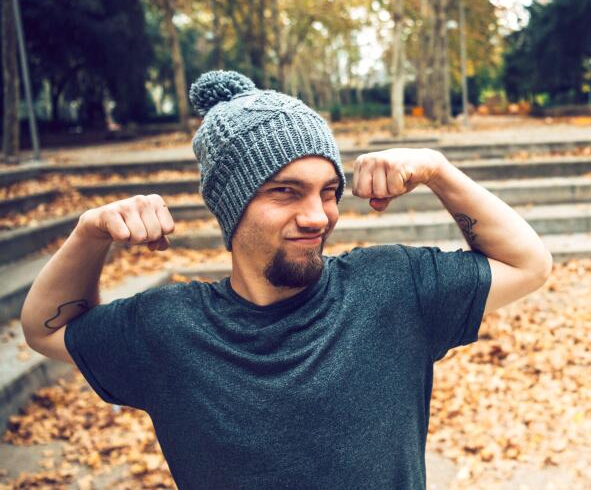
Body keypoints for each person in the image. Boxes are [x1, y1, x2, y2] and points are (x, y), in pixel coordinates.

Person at [20, 70, 552, 489]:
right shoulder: (167, 329)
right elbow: (46, 331)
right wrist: (90, 234)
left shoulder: (393, 288)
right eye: (285, 192)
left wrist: (438, 170)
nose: (318, 216)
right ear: (232, 208)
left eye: (327, 190)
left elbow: (528, 264)